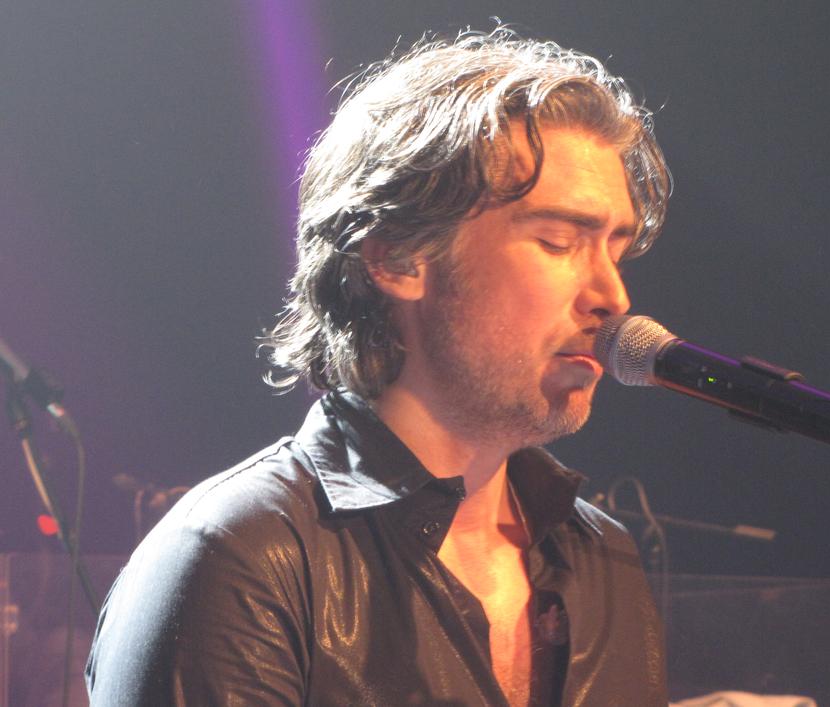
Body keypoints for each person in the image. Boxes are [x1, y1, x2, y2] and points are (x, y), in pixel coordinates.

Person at [85, 28, 671, 706]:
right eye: (558, 241)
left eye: (615, 249)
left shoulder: (604, 556)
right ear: (395, 258)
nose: (613, 296)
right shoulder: (240, 556)